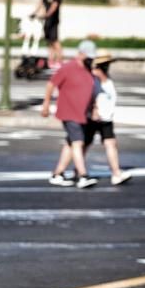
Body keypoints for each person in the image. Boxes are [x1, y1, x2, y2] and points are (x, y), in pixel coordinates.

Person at [41, 39, 98, 189]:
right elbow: (51, 84)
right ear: (80, 54)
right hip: (69, 111)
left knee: (70, 144)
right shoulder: (68, 68)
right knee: (78, 143)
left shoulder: (88, 70)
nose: (90, 59)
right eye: (88, 56)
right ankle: (83, 175)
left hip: (81, 113)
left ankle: (57, 174)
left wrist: (93, 108)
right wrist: (46, 104)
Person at [85, 49, 131, 186]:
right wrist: (94, 109)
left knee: (110, 143)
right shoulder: (95, 75)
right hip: (96, 116)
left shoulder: (105, 75)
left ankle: (116, 173)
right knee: (85, 144)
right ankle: (79, 171)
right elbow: (91, 94)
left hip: (106, 117)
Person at [32, 0, 63, 68]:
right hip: (47, 21)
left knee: (55, 41)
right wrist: (34, 13)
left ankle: (59, 61)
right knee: (48, 41)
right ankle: (51, 61)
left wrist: (46, 15)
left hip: (53, 20)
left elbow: (54, 6)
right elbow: (41, 2)